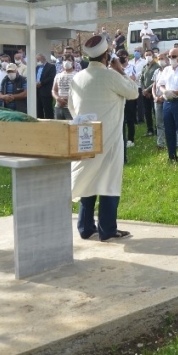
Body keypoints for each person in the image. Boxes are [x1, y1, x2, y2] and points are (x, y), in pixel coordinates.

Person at [70, 35, 139, 241]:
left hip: (86, 136)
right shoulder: (110, 75)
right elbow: (133, 92)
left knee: (87, 179)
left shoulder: (77, 77)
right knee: (108, 182)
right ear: (107, 56)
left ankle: (85, 227)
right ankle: (107, 230)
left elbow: (72, 108)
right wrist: (120, 70)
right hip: (109, 138)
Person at [52, 54, 77, 120]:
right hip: (58, 107)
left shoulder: (77, 75)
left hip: (71, 108)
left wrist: (67, 99)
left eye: (69, 60)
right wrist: (58, 99)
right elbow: (54, 90)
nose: (66, 62)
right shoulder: (58, 75)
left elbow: (79, 92)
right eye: (65, 60)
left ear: (73, 62)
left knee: (70, 128)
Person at [33, 54, 56, 119]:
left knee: (48, 110)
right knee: (38, 110)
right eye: (36, 60)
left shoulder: (51, 67)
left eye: (38, 60)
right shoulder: (37, 67)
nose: (37, 61)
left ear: (43, 59)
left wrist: (41, 83)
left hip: (46, 91)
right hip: (37, 91)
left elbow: (51, 77)